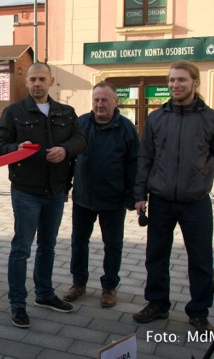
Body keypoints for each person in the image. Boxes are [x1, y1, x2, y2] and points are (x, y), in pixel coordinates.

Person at [133, 61, 214, 333]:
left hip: (196, 202)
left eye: (181, 80)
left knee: (200, 259)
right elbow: (145, 158)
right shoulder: (156, 118)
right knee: (155, 255)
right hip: (161, 200)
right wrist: (140, 194)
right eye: (171, 80)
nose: (175, 85)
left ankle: (199, 312)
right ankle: (157, 303)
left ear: (195, 83)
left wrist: (201, 172)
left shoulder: (212, 119)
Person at [0, 62, 87, 328]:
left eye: (41, 79)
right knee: (21, 249)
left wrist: (66, 150)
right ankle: (17, 303)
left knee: (48, 246)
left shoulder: (66, 112)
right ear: (26, 82)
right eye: (32, 79)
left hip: (56, 191)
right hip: (26, 191)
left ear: (51, 81)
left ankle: (44, 294)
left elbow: (81, 140)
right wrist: (16, 147)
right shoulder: (13, 112)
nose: (37, 83)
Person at [63, 81, 139, 308]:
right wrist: (66, 187)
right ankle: (78, 283)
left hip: (113, 199)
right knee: (78, 243)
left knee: (113, 245)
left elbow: (134, 164)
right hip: (84, 197)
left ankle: (109, 287)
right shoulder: (81, 124)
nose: (100, 104)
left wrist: (131, 196)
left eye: (105, 100)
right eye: (96, 100)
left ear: (116, 102)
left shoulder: (126, 128)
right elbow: (69, 159)